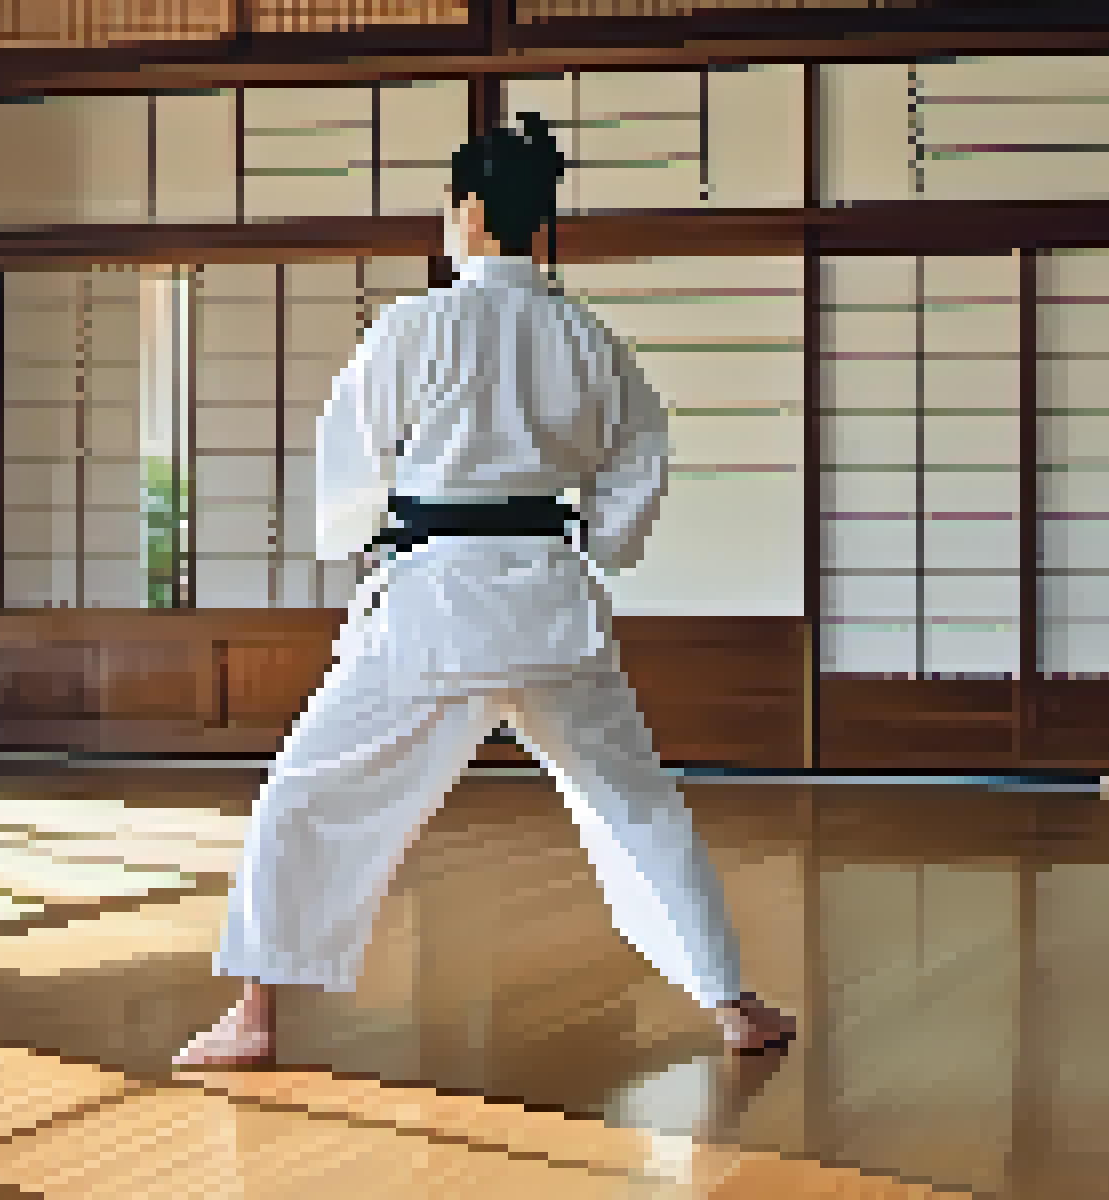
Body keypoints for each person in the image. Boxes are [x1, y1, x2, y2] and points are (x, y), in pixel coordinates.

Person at [172, 112, 796, 1069]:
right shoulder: (584, 334)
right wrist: (598, 536)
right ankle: (732, 1002)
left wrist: (365, 536)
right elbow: (640, 455)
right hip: (552, 602)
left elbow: (351, 464)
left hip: (432, 607)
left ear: (466, 211)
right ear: (534, 218)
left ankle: (253, 1015)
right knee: (635, 803)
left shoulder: (416, 327)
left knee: (307, 794)